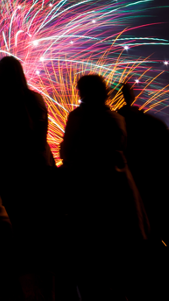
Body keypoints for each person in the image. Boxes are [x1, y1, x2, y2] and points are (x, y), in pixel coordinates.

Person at [60, 74, 148, 300]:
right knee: (121, 260)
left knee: (94, 262)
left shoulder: (78, 117)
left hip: (90, 194)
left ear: (84, 92)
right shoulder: (117, 119)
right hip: (120, 192)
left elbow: (67, 152)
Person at [0, 56, 56, 296]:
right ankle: (47, 283)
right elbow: (42, 137)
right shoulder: (36, 99)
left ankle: (27, 285)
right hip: (39, 169)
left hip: (11, 170)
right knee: (41, 225)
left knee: (20, 225)